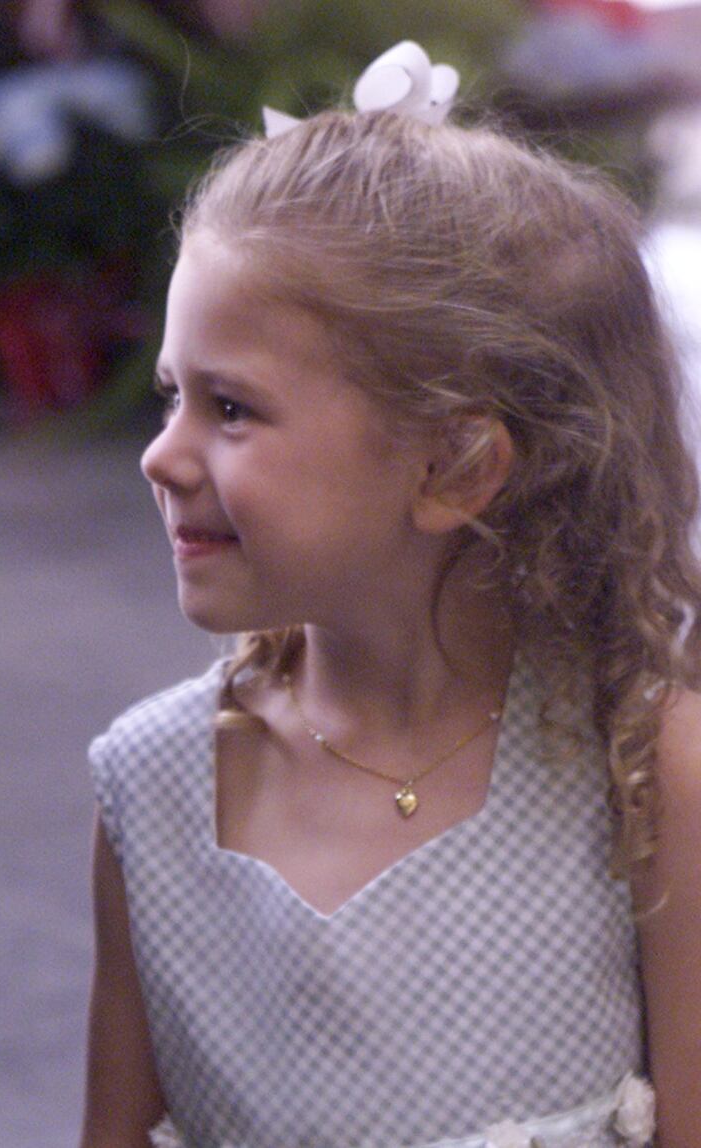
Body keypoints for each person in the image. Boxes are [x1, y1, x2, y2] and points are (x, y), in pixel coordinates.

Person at [81, 41, 701, 1148]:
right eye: (171, 393)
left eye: (230, 409)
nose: (158, 454)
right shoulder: (151, 785)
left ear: (455, 466)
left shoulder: (642, 769)